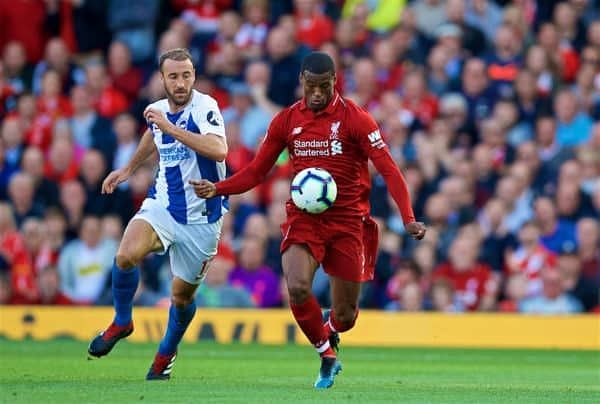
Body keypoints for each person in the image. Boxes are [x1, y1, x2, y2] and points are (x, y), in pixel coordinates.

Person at [191, 52, 426, 388]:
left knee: (346, 317)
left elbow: (389, 169)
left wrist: (408, 218)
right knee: (298, 287)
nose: (317, 93)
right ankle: (327, 356)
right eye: (312, 86)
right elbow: (257, 171)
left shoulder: (357, 120)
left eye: (325, 86)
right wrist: (218, 188)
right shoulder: (286, 121)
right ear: (302, 80)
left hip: (348, 222)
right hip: (305, 219)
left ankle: (331, 330)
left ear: (335, 82)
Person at [87, 48, 228, 381]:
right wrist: (128, 168)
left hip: (202, 219)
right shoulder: (157, 111)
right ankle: (122, 320)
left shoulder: (205, 107)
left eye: (187, 75)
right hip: (162, 204)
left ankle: (166, 353)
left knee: (181, 298)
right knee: (125, 256)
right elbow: (154, 134)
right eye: (174, 76)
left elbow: (219, 149)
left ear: (194, 76)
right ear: (162, 79)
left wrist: (171, 127)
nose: (181, 83)